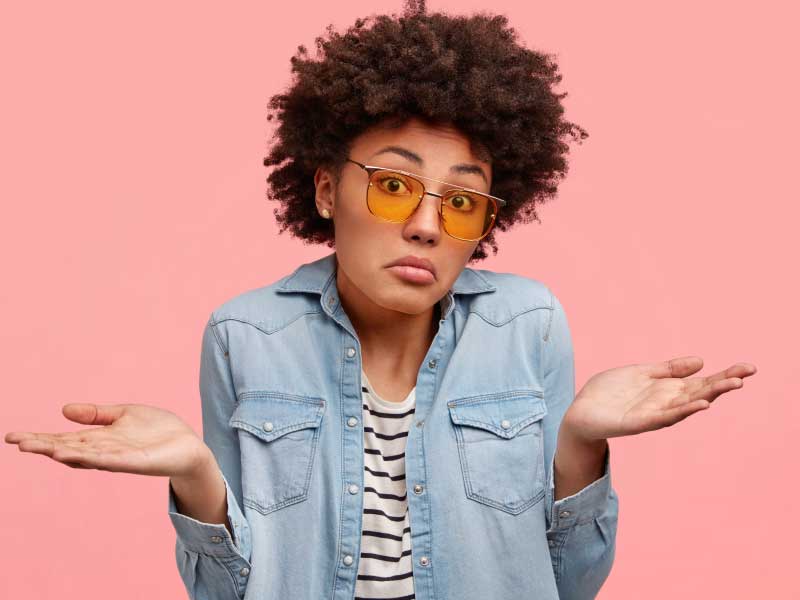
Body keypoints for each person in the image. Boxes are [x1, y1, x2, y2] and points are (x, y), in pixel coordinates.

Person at [4, 1, 757, 599]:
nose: (427, 226)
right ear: (328, 190)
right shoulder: (244, 334)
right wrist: (196, 477)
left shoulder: (528, 325)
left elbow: (568, 585)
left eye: (462, 203)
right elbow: (225, 595)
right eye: (394, 186)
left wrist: (582, 445)